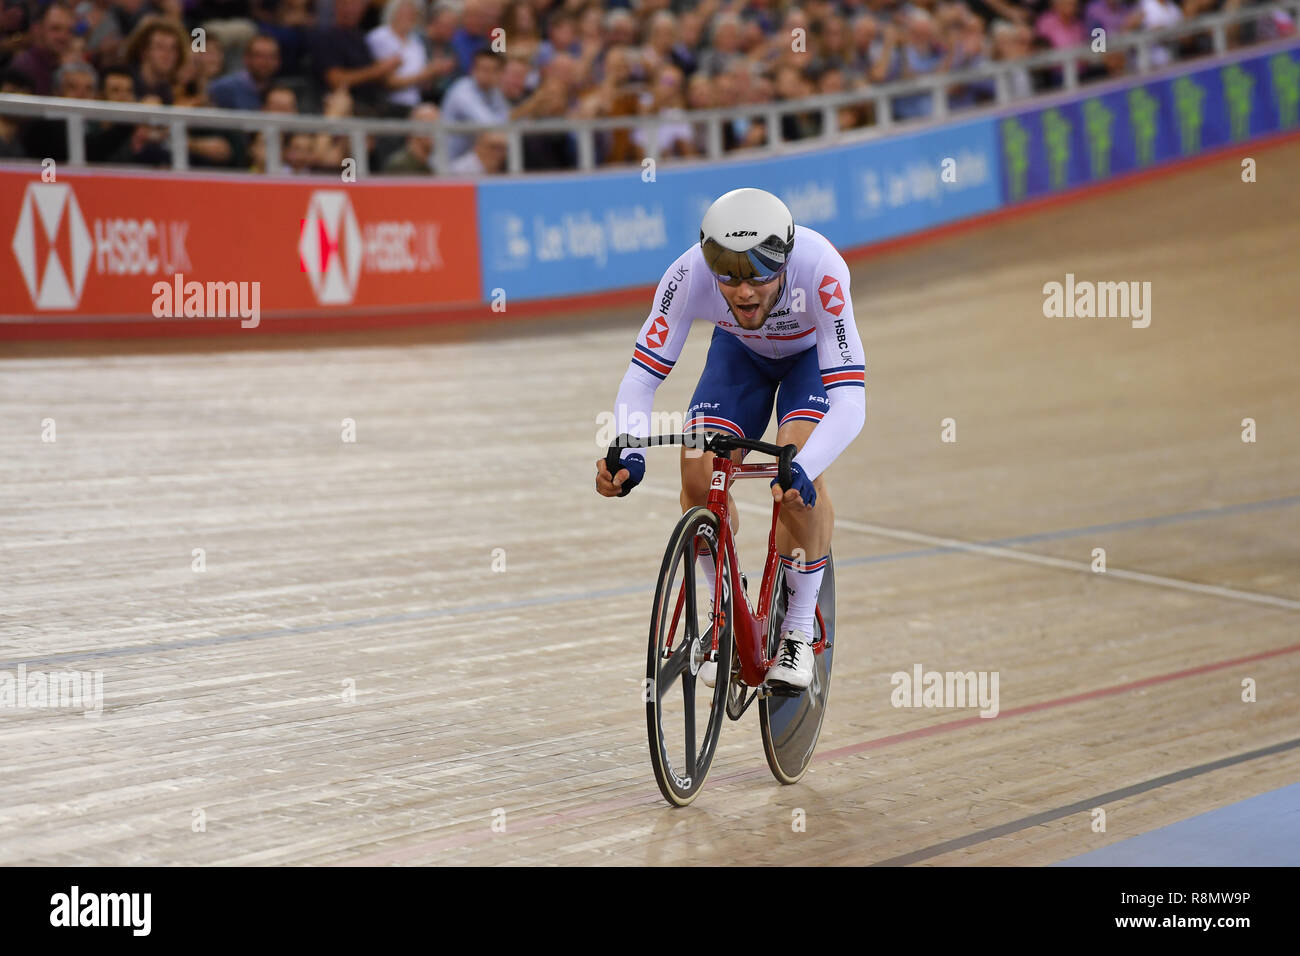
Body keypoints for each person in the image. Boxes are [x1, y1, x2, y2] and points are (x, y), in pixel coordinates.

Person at [595, 188, 867, 690]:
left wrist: (804, 468)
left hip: (810, 362)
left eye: (760, 278)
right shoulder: (687, 274)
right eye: (729, 278)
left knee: (795, 471)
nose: (744, 293)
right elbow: (640, 379)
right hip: (739, 356)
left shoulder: (822, 268)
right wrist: (628, 449)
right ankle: (724, 601)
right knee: (697, 471)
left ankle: (798, 627)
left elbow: (851, 403)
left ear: (785, 261)